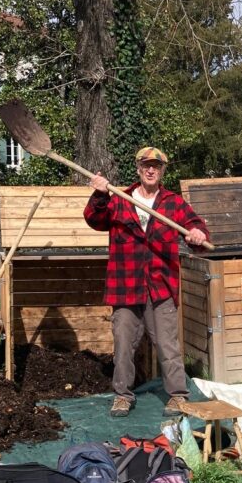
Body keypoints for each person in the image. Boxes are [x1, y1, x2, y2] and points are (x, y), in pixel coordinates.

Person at [85, 147, 210, 418]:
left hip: (160, 285)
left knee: (168, 345)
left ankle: (177, 395)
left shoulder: (173, 203)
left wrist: (198, 233)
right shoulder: (120, 199)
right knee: (123, 344)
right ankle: (122, 396)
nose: (151, 170)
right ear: (138, 169)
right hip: (125, 285)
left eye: (156, 165)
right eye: (145, 165)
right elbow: (94, 219)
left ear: (163, 170)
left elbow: (195, 226)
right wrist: (99, 194)